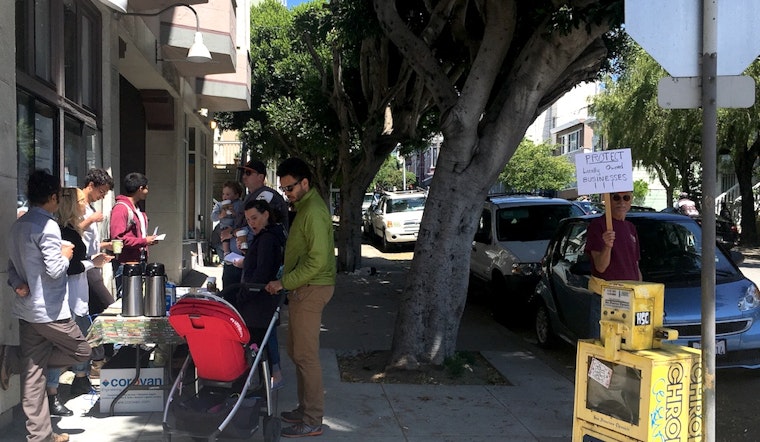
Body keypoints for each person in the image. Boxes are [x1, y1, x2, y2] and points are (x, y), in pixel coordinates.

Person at [7, 170, 92, 442]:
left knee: (33, 377)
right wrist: (66, 255)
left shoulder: (18, 225)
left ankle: (40, 436)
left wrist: (17, 282)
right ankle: (10, 358)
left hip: (27, 309)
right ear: (53, 197)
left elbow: (10, 266)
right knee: (82, 351)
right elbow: (56, 270)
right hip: (51, 310)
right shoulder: (49, 225)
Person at [265, 158, 336, 438]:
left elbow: (317, 261)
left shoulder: (314, 211)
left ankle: (312, 420)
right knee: (296, 352)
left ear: (305, 182)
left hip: (311, 288)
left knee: (305, 357)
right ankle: (305, 409)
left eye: (290, 187)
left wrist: (284, 282)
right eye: (284, 189)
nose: (287, 194)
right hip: (302, 288)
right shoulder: (305, 207)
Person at [46, 188, 111, 413]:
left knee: (85, 338)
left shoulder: (70, 228)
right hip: (66, 296)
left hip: (76, 295)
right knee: (71, 342)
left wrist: (93, 260)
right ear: (72, 205)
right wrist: (94, 263)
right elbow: (70, 267)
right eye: (82, 202)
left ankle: (79, 379)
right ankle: (53, 391)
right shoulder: (63, 231)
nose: (86, 206)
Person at [228, 199, 286, 390]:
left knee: (260, 343)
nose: (251, 223)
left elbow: (262, 272)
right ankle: (267, 377)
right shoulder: (266, 236)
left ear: (266, 215)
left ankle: (266, 379)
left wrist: (242, 295)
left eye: (255, 218)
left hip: (258, 300)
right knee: (264, 341)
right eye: (248, 219)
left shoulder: (268, 238)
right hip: (258, 298)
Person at [220, 160, 288, 289]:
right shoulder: (252, 195)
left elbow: (261, 228)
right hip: (241, 260)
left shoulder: (266, 195)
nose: (244, 176)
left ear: (261, 177)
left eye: (248, 173)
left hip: (253, 263)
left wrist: (232, 233)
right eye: (243, 173)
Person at [110, 172, 159, 294]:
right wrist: (144, 241)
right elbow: (118, 239)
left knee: (137, 298)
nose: (147, 191)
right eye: (146, 188)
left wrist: (147, 241)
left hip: (139, 260)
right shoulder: (121, 208)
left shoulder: (136, 208)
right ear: (140, 188)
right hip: (126, 264)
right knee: (126, 299)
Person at [585, 191, 642, 282]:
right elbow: (600, 267)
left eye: (626, 198)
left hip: (631, 290)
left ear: (631, 200)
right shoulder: (598, 225)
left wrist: (640, 287)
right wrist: (607, 246)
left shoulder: (630, 227)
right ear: (608, 200)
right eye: (616, 198)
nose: (621, 202)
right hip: (609, 291)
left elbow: (635, 265)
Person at [210, 180, 244, 259]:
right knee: (224, 237)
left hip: (236, 228)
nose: (225, 196)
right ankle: (226, 254)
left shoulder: (239, 204)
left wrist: (234, 213)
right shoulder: (219, 205)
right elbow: (213, 217)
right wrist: (221, 215)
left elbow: (242, 217)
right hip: (224, 226)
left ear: (236, 195)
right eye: (223, 194)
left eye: (228, 194)